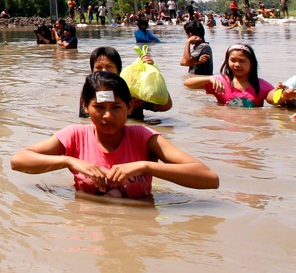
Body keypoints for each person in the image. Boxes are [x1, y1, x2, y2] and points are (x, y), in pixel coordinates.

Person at [11, 71, 219, 199]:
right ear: (85, 106)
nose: (107, 115)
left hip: (137, 229)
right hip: (85, 229)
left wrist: (145, 166)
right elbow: (18, 161)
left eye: (116, 107)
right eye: (98, 107)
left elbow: (209, 179)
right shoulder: (75, 135)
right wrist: (69, 161)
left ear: (129, 108)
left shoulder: (144, 137)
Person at [80, 46, 172, 120]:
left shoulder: (131, 89)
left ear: (119, 69)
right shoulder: (90, 90)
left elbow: (165, 106)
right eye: (98, 67)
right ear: (92, 70)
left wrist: (152, 70)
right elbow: (86, 120)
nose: (104, 71)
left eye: (109, 66)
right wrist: (126, 108)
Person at [184, 43, 278, 108]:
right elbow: (187, 84)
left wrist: (284, 94)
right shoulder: (220, 81)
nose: (237, 64)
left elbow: (275, 99)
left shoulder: (261, 85)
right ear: (227, 61)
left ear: (252, 63)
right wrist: (209, 79)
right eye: (233, 60)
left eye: (242, 61)